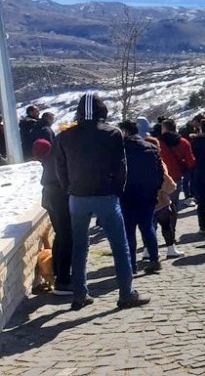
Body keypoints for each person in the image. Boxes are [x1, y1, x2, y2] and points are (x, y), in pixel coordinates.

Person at [54, 93, 149, 309]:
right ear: (102, 110)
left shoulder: (65, 136)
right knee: (120, 246)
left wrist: (69, 188)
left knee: (79, 247)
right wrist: (117, 190)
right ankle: (126, 294)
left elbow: (60, 168)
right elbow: (121, 166)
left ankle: (80, 294)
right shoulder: (112, 133)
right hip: (106, 195)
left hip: (77, 197)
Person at [119, 120, 165, 275]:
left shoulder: (121, 149)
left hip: (127, 194)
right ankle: (154, 259)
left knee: (129, 230)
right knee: (147, 227)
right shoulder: (151, 147)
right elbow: (160, 172)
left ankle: (131, 264)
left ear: (125, 131)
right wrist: (155, 188)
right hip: (148, 194)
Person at [154, 119, 194, 257]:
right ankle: (171, 236)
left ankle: (152, 239)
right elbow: (190, 162)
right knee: (173, 208)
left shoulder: (157, 143)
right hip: (175, 178)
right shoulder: (183, 142)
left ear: (164, 129)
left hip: (159, 179)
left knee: (157, 208)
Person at [39, 138, 73, 295]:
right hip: (59, 194)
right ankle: (63, 281)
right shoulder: (68, 144)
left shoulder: (59, 142)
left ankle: (58, 273)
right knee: (67, 237)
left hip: (50, 194)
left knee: (61, 235)